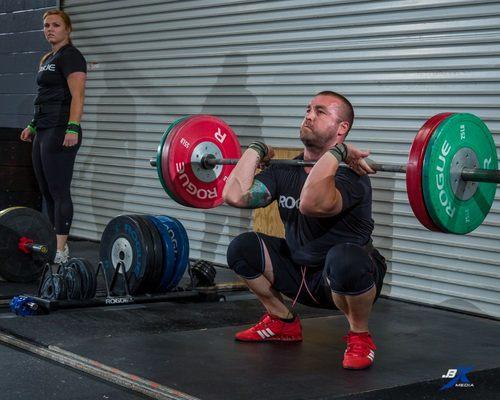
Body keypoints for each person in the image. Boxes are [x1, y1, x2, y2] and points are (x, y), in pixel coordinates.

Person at [222, 91, 387, 370]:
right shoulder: (287, 169)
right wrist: (256, 149)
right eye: (308, 109)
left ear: (341, 128)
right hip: (299, 274)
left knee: (344, 257)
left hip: (341, 280)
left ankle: (360, 335)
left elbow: (311, 203)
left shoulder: (351, 176)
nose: (309, 115)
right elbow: (234, 195)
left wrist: (339, 154)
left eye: (320, 112)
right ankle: (282, 321)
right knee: (242, 247)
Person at [20, 10, 87, 264]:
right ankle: (50, 242)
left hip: (61, 130)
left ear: (67, 29)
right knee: (46, 191)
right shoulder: (48, 57)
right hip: (44, 129)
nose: (50, 29)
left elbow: (78, 96)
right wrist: (33, 125)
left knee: (60, 191)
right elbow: (45, 95)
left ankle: (61, 249)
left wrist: (73, 127)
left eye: (56, 25)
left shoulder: (72, 56)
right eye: (46, 25)